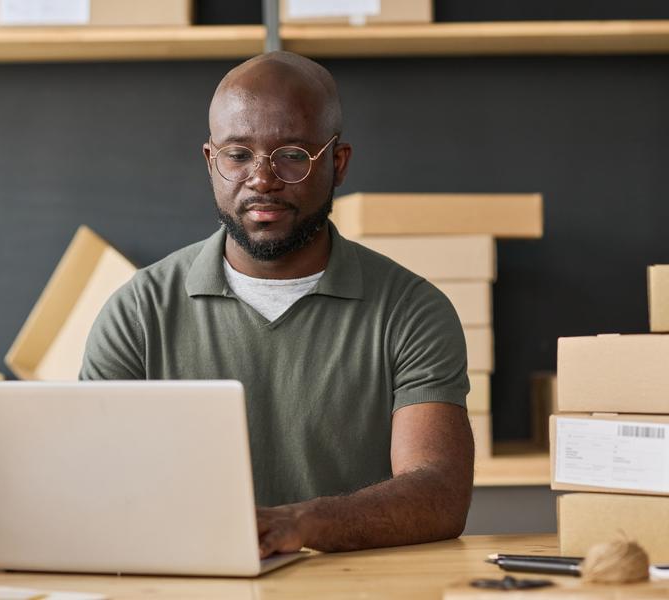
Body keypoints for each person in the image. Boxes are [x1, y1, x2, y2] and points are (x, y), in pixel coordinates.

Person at [80, 51, 474, 558]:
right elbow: (92, 487)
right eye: (238, 155)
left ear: (338, 163)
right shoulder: (138, 312)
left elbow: (439, 492)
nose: (261, 179)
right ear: (210, 161)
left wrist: (301, 523)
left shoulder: (411, 310)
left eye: (291, 154)